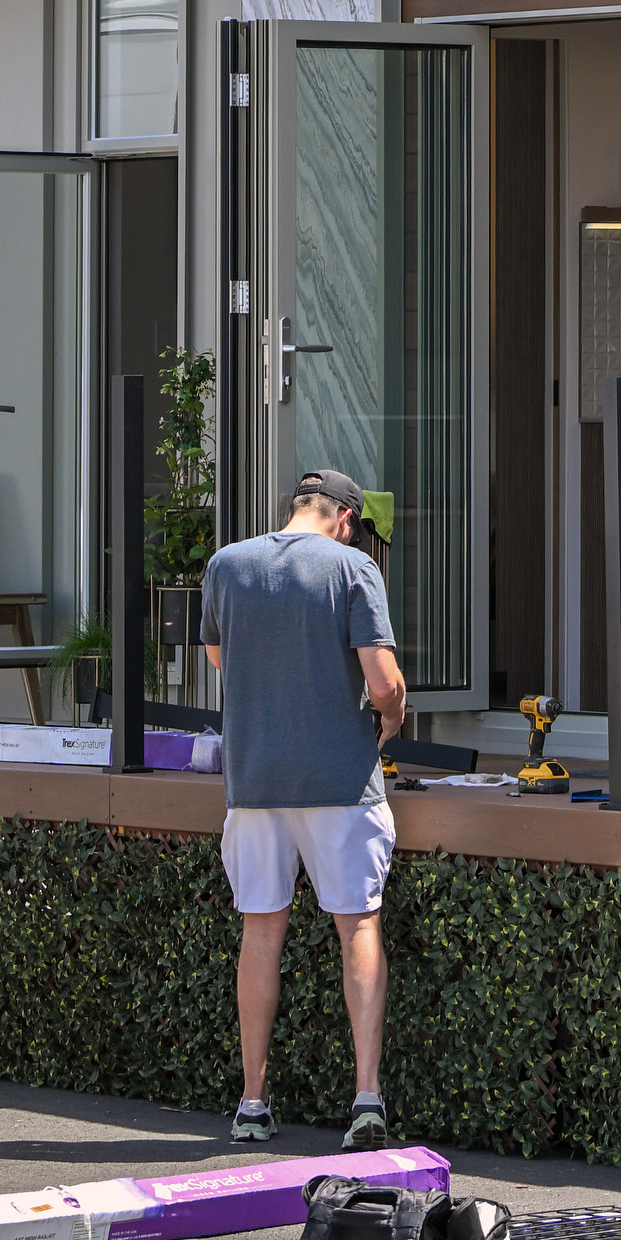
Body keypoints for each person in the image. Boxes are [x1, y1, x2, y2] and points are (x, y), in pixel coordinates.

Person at [203, 469, 408, 1149]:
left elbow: (218, 657)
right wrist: (395, 713)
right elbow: (382, 680)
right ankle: (366, 1101)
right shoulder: (352, 569)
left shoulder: (226, 566)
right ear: (346, 519)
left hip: (255, 782)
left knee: (261, 933)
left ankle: (253, 1104)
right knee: (358, 928)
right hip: (340, 782)